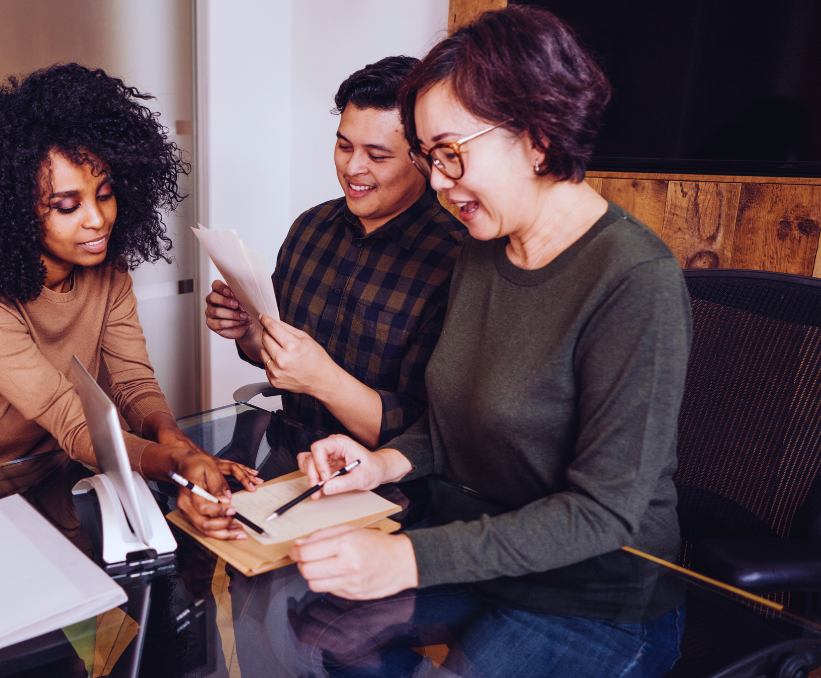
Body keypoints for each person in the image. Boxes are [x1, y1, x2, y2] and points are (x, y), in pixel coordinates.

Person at [290, 7, 691, 676]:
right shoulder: (483, 250)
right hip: (483, 554)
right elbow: (456, 420)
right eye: (430, 157)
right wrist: (382, 463)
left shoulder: (634, 278)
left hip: (595, 595)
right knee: (319, 628)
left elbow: (602, 513)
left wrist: (407, 558)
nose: (437, 181)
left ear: (538, 136)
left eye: (451, 153)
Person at [0, 64, 259, 540]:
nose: (97, 220)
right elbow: (67, 417)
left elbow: (132, 382)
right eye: (67, 206)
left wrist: (179, 446)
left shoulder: (107, 270)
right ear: (12, 211)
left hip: (46, 481)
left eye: (104, 194)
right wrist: (172, 465)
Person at [205, 56, 465, 448]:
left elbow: (431, 433)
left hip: (385, 476)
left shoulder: (455, 264)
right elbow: (274, 354)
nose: (353, 167)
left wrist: (324, 381)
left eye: (377, 155)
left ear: (424, 159)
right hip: (292, 453)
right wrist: (248, 331)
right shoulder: (311, 228)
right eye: (344, 146)